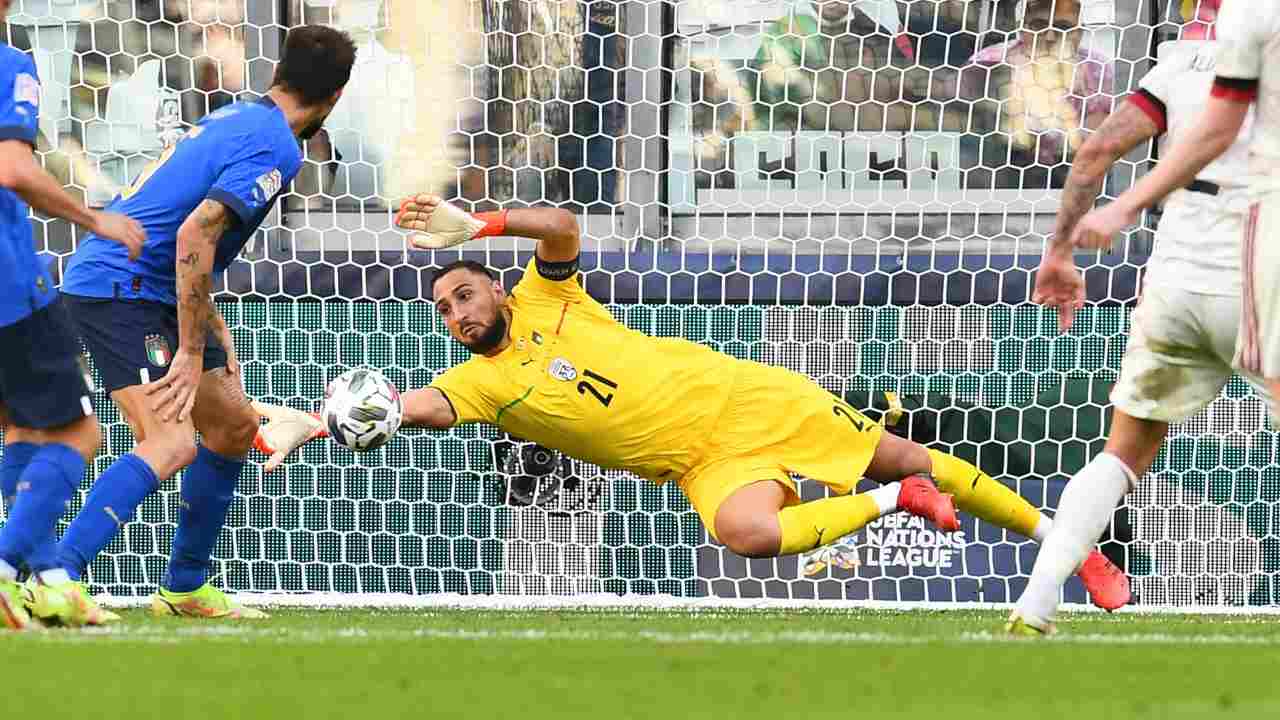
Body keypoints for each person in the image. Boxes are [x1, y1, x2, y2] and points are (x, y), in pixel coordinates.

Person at [252, 199, 1128, 607]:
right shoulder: (474, 387)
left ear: (496, 291)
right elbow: (405, 410)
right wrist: (313, 421)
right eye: (443, 310)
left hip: (747, 401)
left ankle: (1070, 553)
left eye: (465, 294)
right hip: (703, 464)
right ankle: (898, 505)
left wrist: (476, 227)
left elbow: (560, 224)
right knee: (746, 537)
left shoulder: (550, 294)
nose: (457, 312)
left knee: (911, 452)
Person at [50, 25, 356, 620]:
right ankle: (55, 578)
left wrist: (215, 338)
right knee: (170, 441)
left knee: (234, 426)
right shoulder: (279, 148)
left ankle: (186, 586)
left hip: (153, 285)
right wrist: (191, 351)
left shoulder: (237, 115)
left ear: (277, 74)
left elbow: (187, 238)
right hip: (122, 288)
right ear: (337, 96)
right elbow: (194, 233)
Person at [1010, 7, 1269, 634]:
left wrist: (1059, 252)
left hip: (1176, 274)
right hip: (1260, 264)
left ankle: (1035, 605)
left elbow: (1097, 148)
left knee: (1122, 454)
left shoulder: (1178, 63)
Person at [0, 0, 146, 629]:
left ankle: (52, 581)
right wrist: (96, 219)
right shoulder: (10, 62)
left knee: (23, 432)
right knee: (79, 435)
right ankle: (6, 567)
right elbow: (12, 168)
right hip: (8, 285)